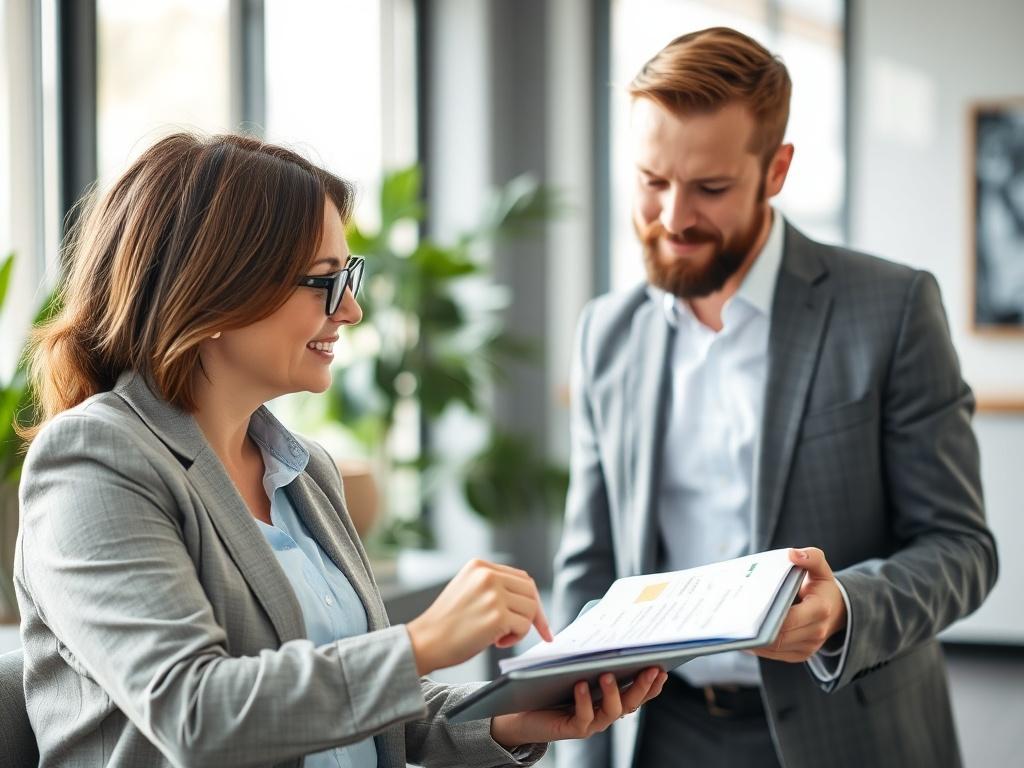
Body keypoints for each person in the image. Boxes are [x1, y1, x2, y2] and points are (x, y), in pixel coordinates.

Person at [13, 132, 668, 768]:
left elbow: (356, 708)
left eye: (347, 275)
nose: (350, 309)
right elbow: (196, 714)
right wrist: (422, 643)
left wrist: (501, 718)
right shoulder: (94, 462)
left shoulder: (304, 471)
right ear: (218, 289)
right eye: (325, 280)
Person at [552, 27, 998, 768]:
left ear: (777, 169)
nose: (672, 219)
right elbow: (588, 567)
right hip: (661, 733)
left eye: (710, 188)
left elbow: (962, 549)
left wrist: (845, 608)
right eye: (652, 181)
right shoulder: (606, 332)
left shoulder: (891, 309)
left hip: (847, 724)